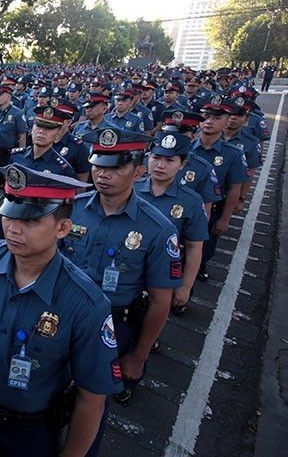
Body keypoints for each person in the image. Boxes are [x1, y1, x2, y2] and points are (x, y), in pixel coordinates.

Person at [0, 164, 120, 457]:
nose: (13, 228)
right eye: (9, 213)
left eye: (31, 220)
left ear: (62, 228)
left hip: (26, 432)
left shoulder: (86, 303)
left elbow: (91, 398)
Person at [63, 127, 182, 408]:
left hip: (113, 325)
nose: (103, 174)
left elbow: (160, 300)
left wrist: (139, 355)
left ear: (139, 172)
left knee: (95, 398)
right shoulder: (72, 209)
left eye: (115, 168)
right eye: (99, 166)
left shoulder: (158, 229)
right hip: (64, 314)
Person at [135, 131, 208, 316]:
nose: (160, 165)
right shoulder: (130, 189)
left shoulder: (191, 201)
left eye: (170, 160)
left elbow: (194, 247)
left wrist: (185, 286)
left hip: (162, 274)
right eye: (156, 157)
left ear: (182, 164)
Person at [192, 103, 248, 281]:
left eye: (216, 118)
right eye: (206, 117)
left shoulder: (232, 154)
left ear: (226, 123)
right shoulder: (185, 147)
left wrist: (225, 219)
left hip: (213, 209)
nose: (209, 122)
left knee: (205, 248)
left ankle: (200, 269)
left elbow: (234, 188)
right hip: (185, 209)